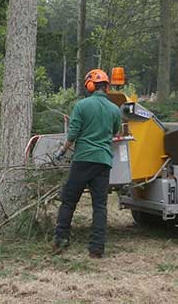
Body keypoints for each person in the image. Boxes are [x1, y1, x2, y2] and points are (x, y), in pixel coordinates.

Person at [52, 69, 122, 258]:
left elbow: (73, 134)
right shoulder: (115, 109)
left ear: (90, 85)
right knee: (99, 206)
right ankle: (97, 248)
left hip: (83, 159)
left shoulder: (81, 106)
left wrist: (61, 152)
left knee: (68, 201)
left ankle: (61, 240)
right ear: (106, 87)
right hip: (103, 161)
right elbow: (115, 133)